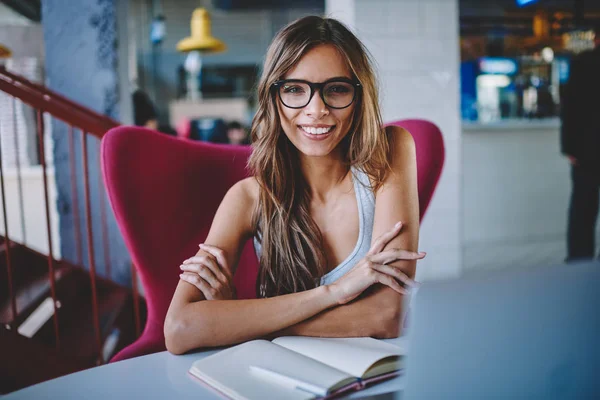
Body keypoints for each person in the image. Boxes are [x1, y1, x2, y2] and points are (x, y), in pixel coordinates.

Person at [164, 16, 425, 354]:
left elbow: (386, 316)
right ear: (273, 96)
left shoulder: (390, 151)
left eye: (336, 89)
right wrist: (334, 293)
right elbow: (180, 330)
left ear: (359, 96)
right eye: (294, 89)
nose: (316, 110)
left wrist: (237, 322)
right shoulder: (246, 199)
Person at [561, 24, 600, 262]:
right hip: (586, 149)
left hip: (586, 150)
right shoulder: (584, 63)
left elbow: (570, 108)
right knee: (583, 207)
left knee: (583, 208)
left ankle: (579, 259)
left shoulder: (583, 63)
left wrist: (570, 148)